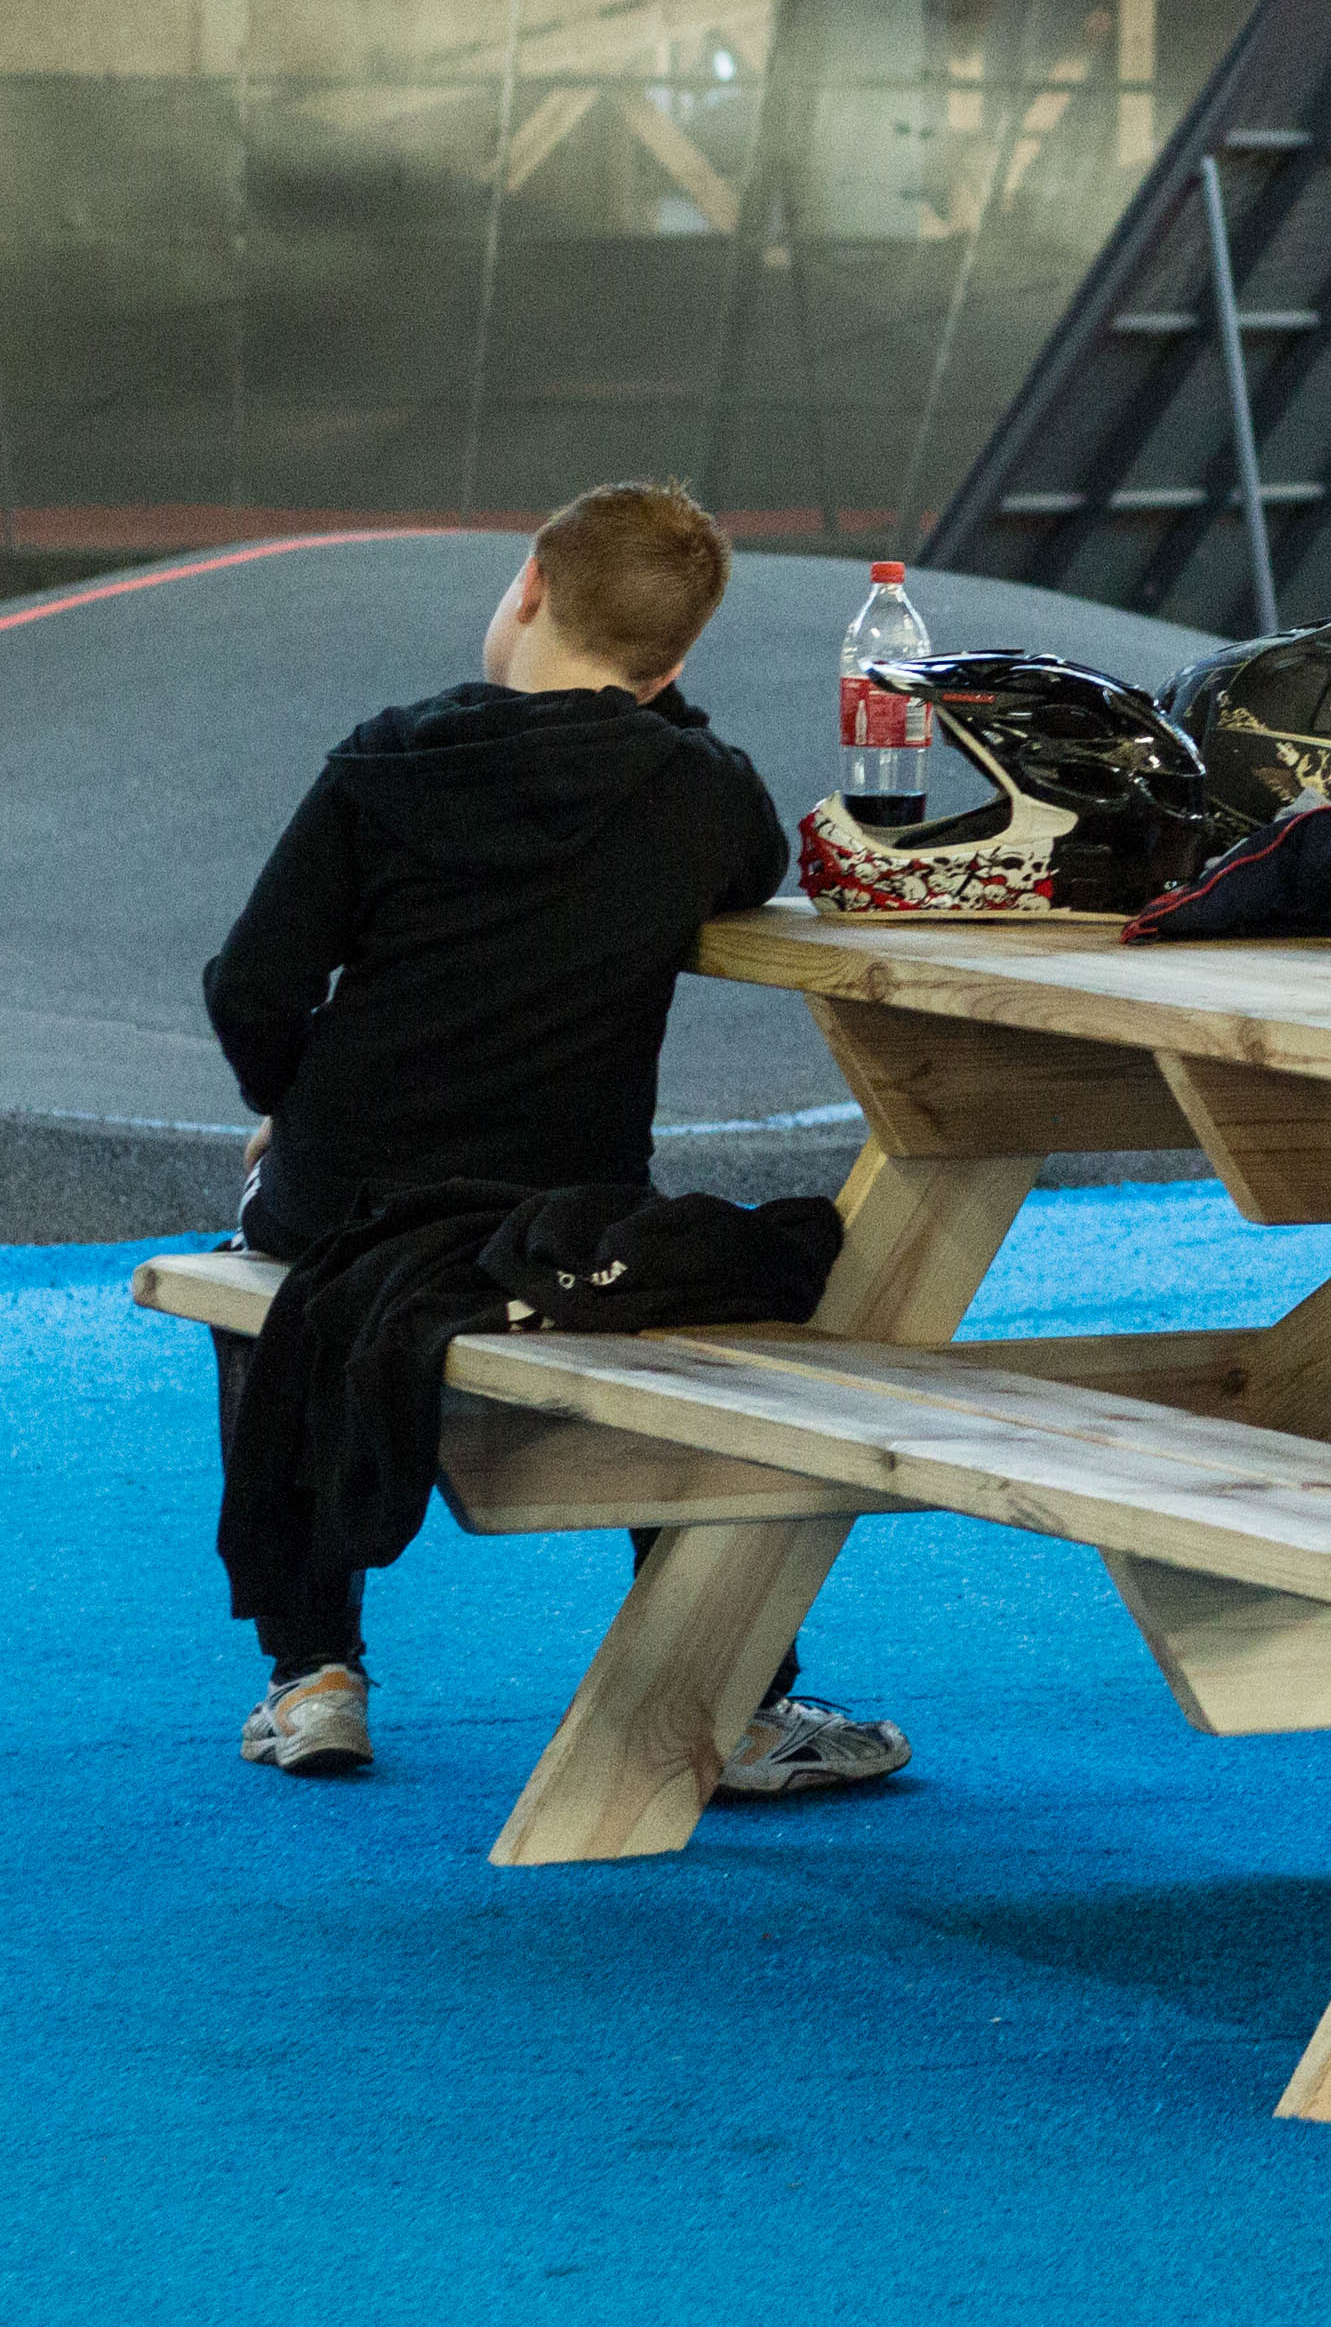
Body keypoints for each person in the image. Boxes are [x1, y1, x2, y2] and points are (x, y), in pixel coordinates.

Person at [201, 480, 909, 1793]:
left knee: (267, 1282)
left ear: (527, 585)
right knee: (671, 1285)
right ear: (674, 665)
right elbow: (751, 855)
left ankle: (314, 1677)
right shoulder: (696, 791)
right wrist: (653, 708)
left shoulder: (387, 762)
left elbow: (252, 985)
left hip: (345, 1197)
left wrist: (281, 1108)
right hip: (552, 1220)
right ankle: (738, 1697)